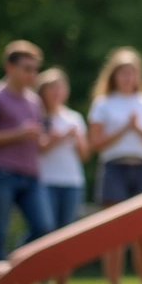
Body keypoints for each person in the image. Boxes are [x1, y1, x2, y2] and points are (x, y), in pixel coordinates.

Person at [88, 47, 142, 284]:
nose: (127, 78)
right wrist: (123, 129)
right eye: (123, 73)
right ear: (114, 76)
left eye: (132, 73)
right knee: (114, 232)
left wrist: (137, 128)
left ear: (138, 75)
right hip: (114, 168)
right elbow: (96, 143)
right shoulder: (103, 104)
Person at [0, 40, 53, 262]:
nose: (32, 75)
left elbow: (38, 142)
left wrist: (49, 140)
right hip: (1, 173)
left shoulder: (34, 102)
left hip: (31, 176)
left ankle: (13, 264)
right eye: (27, 69)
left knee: (44, 226)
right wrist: (19, 133)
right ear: (9, 67)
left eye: (35, 70)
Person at [35, 68, 90, 234]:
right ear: (42, 91)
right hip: (45, 181)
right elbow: (36, 150)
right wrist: (55, 139)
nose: (56, 92)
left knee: (66, 233)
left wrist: (77, 139)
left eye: (60, 87)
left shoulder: (74, 118)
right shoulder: (37, 117)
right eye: (52, 88)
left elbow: (85, 155)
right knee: (45, 229)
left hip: (72, 182)